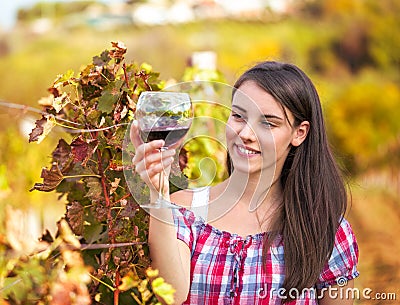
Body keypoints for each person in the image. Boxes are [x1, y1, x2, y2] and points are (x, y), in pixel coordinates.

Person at [130, 61, 359, 304]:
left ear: (299, 133)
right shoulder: (184, 210)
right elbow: (172, 296)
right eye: (239, 116)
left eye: (268, 123)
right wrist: (158, 191)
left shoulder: (323, 231)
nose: (246, 134)